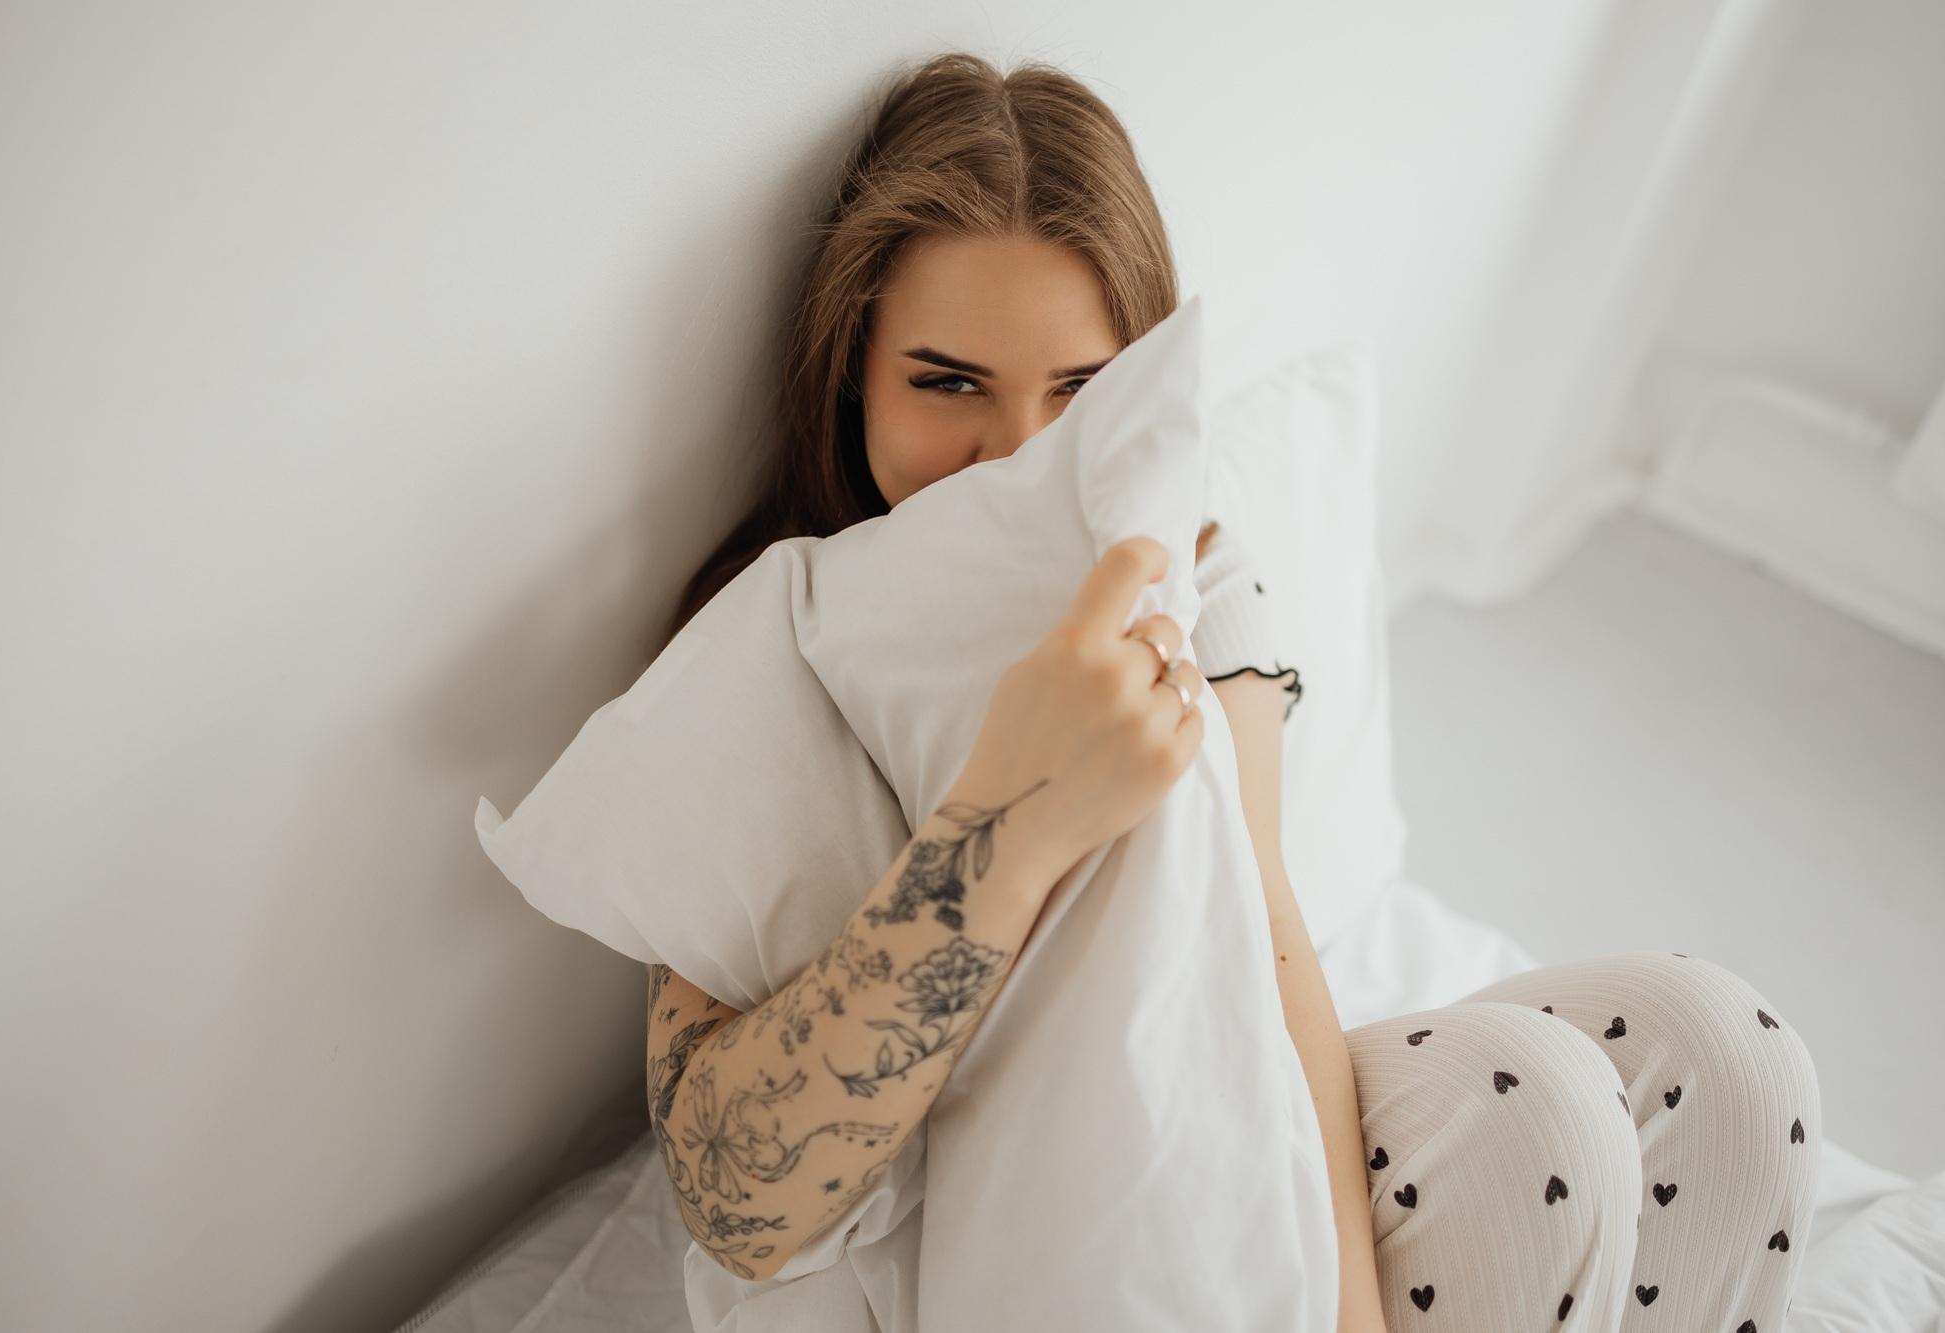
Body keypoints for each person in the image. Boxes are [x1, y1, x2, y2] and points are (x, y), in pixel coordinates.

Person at [644, 51, 1822, 1332]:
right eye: (946, 382)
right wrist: (1011, 817)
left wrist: (1346, 1310)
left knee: (1722, 1057)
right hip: (948, 1248)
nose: (1020, 460)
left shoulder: (1191, 571)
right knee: (1539, 1104)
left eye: (1082, 392)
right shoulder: (764, 637)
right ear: (851, 376)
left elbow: (1265, 939)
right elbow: (729, 1198)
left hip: (1198, 1140)